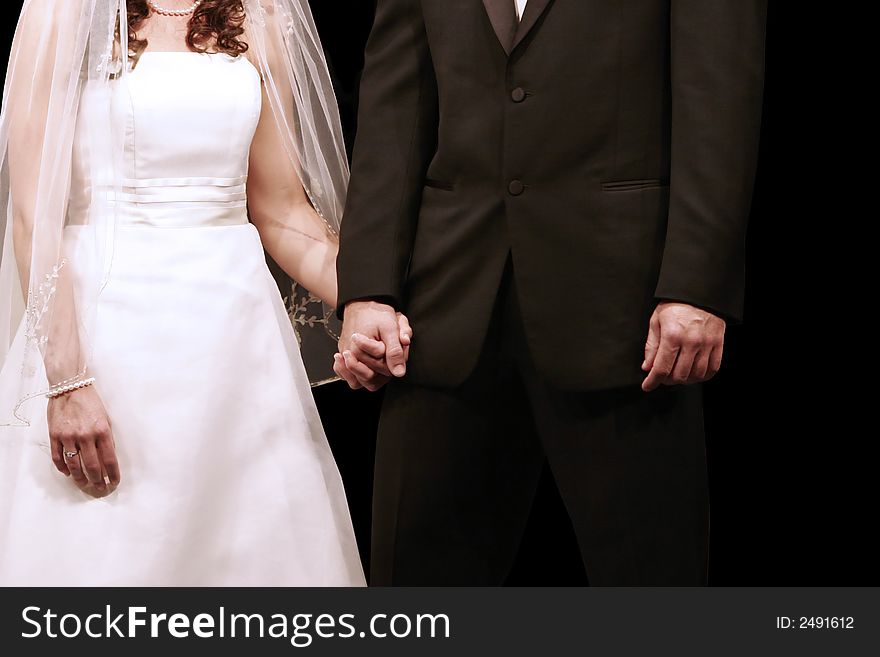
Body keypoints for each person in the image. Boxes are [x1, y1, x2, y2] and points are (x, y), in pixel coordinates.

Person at [334, 0, 767, 585]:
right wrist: (368, 288)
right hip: (443, 307)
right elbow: (394, 106)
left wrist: (696, 285)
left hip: (625, 311)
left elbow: (719, 101)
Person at [0, 0, 407, 586]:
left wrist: (368, 300)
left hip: (235, 341)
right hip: (106, 337)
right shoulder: (64, 10)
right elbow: (32, 216)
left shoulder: (261, 11)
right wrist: (67, 381)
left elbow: (284, 211)